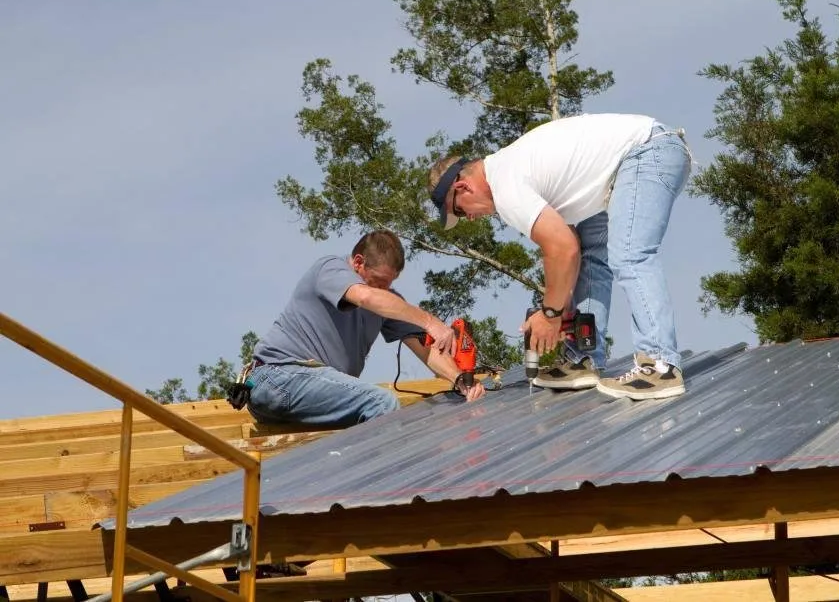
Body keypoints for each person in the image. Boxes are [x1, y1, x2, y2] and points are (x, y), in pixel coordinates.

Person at [427, 113, 690, 400]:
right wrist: (560, 305)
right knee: (594, 258)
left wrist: (550, 315)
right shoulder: (509, 170)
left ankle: (661, 365)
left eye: (461, 211)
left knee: (629, 254)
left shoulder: (505, 185)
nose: (471, 219)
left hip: (647, 151)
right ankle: (583, 359)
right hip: (623, 167)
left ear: (462, 187)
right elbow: (569, 247)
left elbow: (563, 248)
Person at [245, 229, 486, 427]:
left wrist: (459, 381)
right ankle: (388, 486)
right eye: (379, 281)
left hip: (305, 393)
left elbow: (426, 349)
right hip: (276, 377)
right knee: (381, 403)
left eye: (389, 284)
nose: (384, 289)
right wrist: (431, 322)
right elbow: (366, 297)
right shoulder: (330, 269)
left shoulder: (386, 300)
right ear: (358, 262)